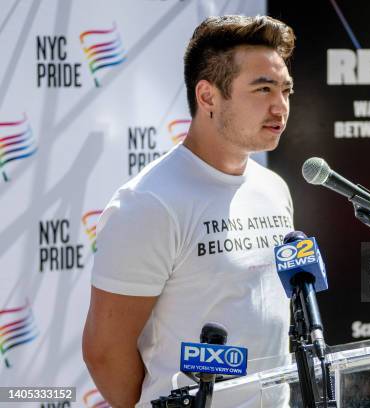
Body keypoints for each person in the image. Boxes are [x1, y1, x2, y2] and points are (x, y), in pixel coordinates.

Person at [82, 15, 296, 407]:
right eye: (263, 89)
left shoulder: (273, 188)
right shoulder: (149, 202)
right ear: (208, 96)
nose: (279, 105)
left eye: (285, 89)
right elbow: (104, 350)